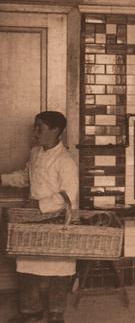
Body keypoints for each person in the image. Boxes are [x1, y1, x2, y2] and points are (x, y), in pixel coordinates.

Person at [0, 111, 79, 323]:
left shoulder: (65, 161)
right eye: (35, 127)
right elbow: (26, 177)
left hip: (56, 221)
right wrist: (2, 179)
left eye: (40, 128)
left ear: (55, 131)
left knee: (59, 268)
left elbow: (68, 196)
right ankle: (31, 311)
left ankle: (56, 313)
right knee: (26, 263)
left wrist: (40, 204)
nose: (35, 132)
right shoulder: (35, 153)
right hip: (33, 219)